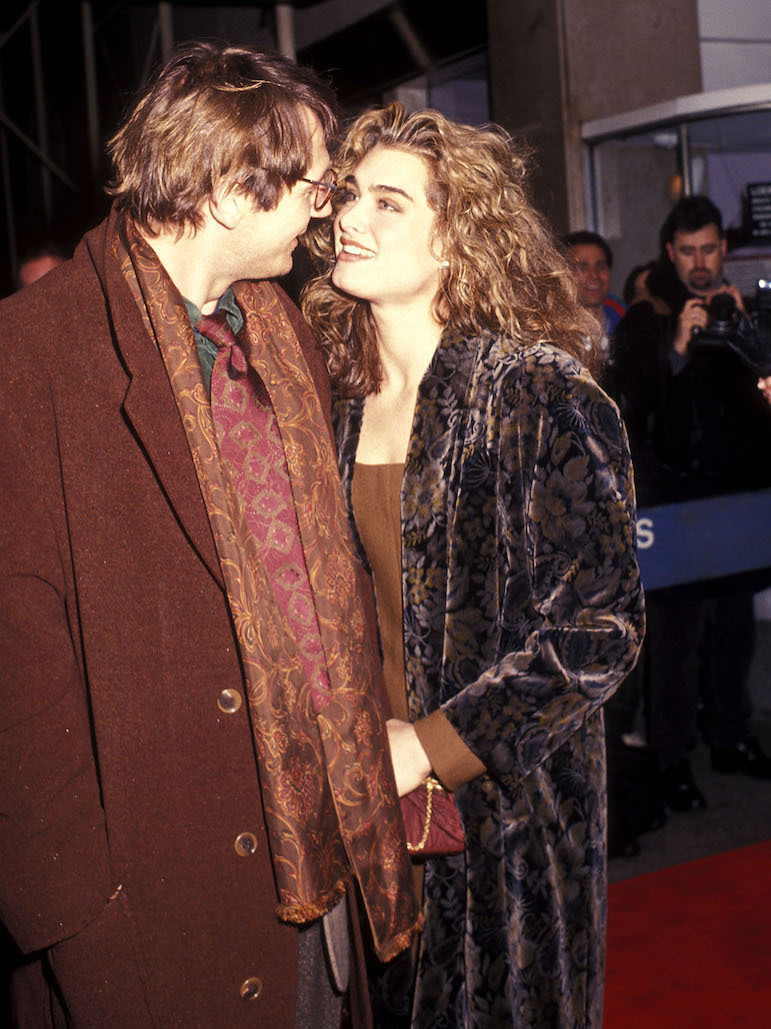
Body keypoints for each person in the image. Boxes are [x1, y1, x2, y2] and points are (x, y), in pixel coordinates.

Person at [0, 43, 420, 1028]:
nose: (323, 219)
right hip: (156, 905)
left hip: (320, 867)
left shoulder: (277, 333)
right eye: (313, 191)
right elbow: (18, 679)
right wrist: (78, 925)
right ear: (234, 188)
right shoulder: (31, 358)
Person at [302, 103, 645, 1029]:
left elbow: (597, 631)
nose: (350, 220)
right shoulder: (328, 403)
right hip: (371, 822)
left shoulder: (534, 390)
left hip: (513, 835)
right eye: (345, 197)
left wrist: (429, 745)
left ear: (455, 235)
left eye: (389, 203)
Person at [613, 195, 771, 814]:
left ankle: (731, 737)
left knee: (735, 631)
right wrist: (681, 348)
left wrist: (752, 337)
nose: (698, 261)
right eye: (687, 250)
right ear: (670, 253)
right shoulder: (649, 317)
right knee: (676, 641)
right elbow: (633, 407)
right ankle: (670, 759)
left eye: (709, 248)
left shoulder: (743, 312)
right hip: (676, 504)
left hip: (739, 501)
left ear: (724, 250)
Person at [563, 229, 626, 338]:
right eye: (581, 268)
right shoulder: (550, 327)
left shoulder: (624, 316)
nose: (594, 275)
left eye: (601, 267)